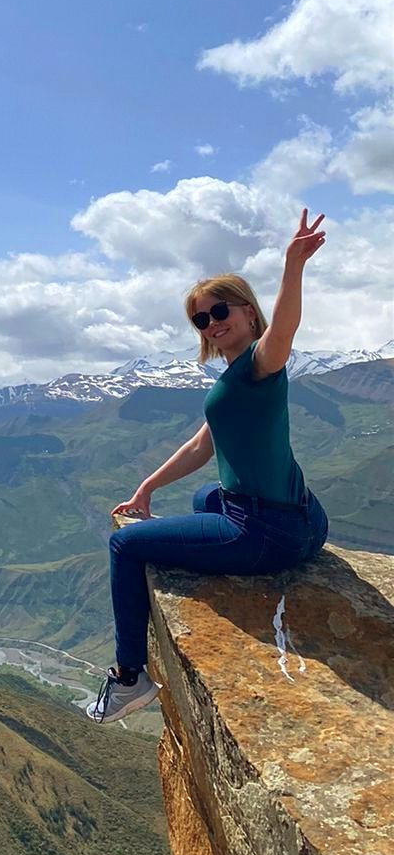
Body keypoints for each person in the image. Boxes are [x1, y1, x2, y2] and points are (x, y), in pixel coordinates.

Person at [86, 208, 332, 725]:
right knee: (205, 498)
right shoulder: (235, 378)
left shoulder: (260, 364)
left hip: (266, 534)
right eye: (201, 319)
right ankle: (228, 531)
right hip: (308, 522)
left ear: (248, 312)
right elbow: (202, 447)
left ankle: (128, 678)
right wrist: (148, 488)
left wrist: (293, 266)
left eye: (220, 311)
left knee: (125, 546)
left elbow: (285, 330)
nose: (213, 323)